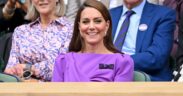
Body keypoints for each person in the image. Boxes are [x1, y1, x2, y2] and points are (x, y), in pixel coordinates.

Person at [52, 0, 134, 82]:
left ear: (107, 25)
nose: (91, 26)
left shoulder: (122, 62)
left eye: (97, 21)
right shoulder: (63, 61)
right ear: (79, 26)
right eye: (85, 22)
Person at [4, 0, 73, 82]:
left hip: (57, 91)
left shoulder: (71, 30)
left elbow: (64, 68)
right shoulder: (21, 31)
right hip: (22, 91)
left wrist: (30, 69)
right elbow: (10, 71)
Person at [110, 0, 176, 81]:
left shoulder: (163, 14)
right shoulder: (109, 14)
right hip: (106, 74)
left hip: (145, 77)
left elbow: (156, 58)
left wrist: (118, 62)